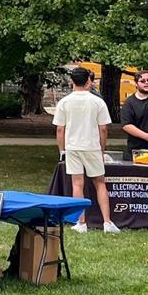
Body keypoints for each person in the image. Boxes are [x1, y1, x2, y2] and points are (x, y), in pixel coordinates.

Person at [55, 66, 117, 234]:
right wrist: (102, 149)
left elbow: (60, 129)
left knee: (77, 184)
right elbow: (103, 128)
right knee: (100, 183)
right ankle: (107, 222)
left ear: (71, 81)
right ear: (88, 80)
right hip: (92, 146)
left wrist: (62, 150)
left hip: (72, 146)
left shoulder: (64, 102)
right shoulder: (97, 102)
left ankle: (81, 222)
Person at [120, 70, 148, 156]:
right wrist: (147, 137)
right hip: (137, 149)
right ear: (136, 83)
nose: (146, 83)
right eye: (142, 81)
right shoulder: (129, 102)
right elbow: (126, 125)